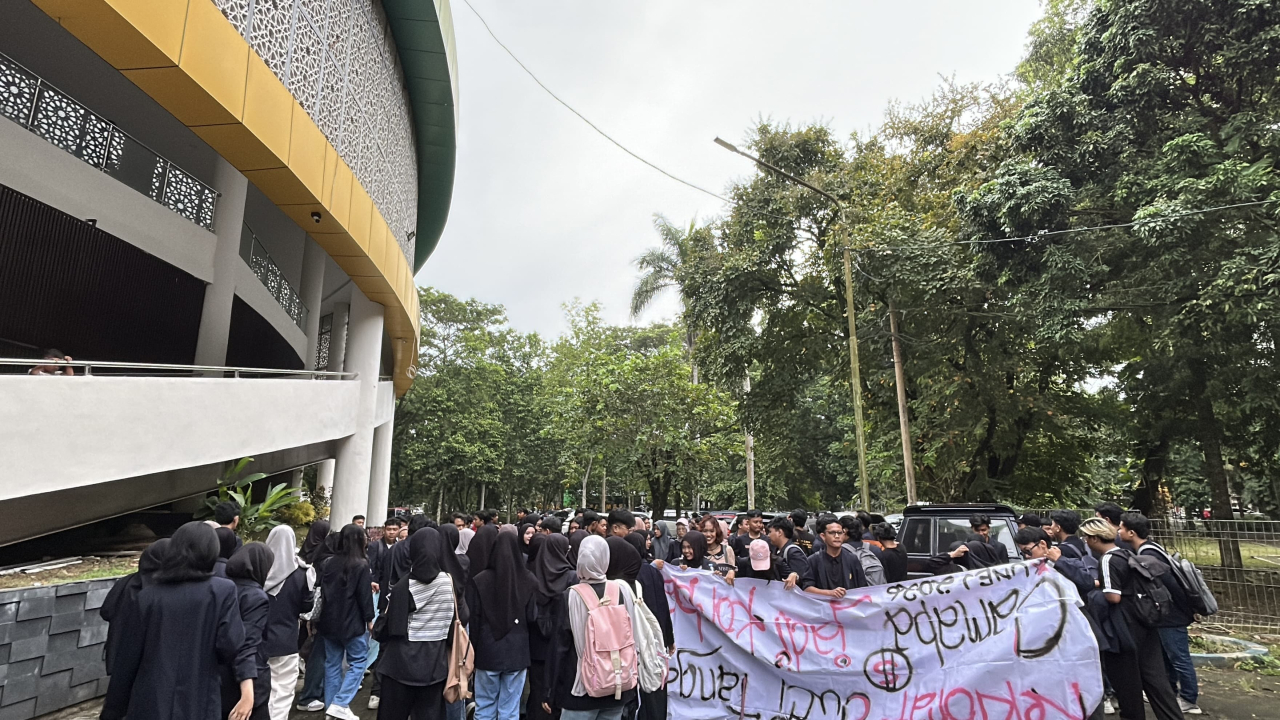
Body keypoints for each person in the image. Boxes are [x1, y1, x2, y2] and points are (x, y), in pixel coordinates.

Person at [101, 522, 249, 720]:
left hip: (151, 701)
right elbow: (230, 644)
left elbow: (127, 659)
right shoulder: (223, 591)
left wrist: (112, 711)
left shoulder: (148, 596)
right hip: (199, 699)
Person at [1089, 518, 1184, 720]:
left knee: (1127, 683)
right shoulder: (1126, 554)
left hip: (1123, 627)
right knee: (1156, 679)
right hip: (1144, 621)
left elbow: (1113, 597)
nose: (1086, 542)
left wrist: (1097, 590)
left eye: (1087, 538)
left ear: (1094, 538)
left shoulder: (1107, 559)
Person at [543, 535, 641, 720]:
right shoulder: (622, 590)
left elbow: (559, 648)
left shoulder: (571, 596)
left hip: (580, 689)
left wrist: (550, 691)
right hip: (616, 685)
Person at [1120, 513, 1201, 715]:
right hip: (1169, 614)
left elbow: (1170, 585)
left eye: (1121, 528)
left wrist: (1187, 610)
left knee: (1179, 657)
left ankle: (1190, 699)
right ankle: (1171, 691)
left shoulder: (1148, 554)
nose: (1118, 531)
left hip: (1172, 615)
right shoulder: (1150, 548)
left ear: (1131, 532)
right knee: (1167, 657)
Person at [376, 527, 455, 720]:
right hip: (435, 664)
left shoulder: (404, 586)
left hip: (401, 665)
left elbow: (391, 629)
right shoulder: (448, 582)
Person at [470, 531, 537, 720]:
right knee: (510, 708)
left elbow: (474, 619)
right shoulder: (529, 579)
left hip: (487, 650)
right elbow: (532, 617)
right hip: (517, 651)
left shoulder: (480, 580)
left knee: (484, 706)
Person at [316, 524, 376, 719]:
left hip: (328, 621)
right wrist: (370, 619)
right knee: (358, 661)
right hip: (351, 623)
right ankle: (340, 703)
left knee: (332, 664)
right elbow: (364, 596)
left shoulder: (329, 562)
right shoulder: (361, 564)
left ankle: (330, 707)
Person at [261, 525, 314, 720]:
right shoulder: (302, 573)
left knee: (261, 688)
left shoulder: (258, 568)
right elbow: (306, 606)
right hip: (287, 638)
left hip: (259, 637)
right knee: (283, 689)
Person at [222, 543, 275, 720]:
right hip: (249, 677)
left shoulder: (223, 588)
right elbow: (247, 644)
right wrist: (248, 694)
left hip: (222, 676)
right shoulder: (255, 597)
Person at [101, 539, 169, 673]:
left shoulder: (125, 581)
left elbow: (106, 611)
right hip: (148, 661)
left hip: (118, 652)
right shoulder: (163, 587)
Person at [530, 533, 577, 720]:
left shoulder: (533, 574)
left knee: (537, 693)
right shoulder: (571, 577)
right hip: (561, 645)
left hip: (536, 646)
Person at [295, 521, 332, 713]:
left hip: (301, 610)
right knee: (318, 652)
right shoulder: (324, 554)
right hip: (314, 610)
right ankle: (311, 693)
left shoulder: (302, 553)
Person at [802, 517, 867, 597]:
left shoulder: (852, 559)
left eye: (840, 533)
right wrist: (830, 593)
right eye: (832, 533)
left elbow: (863, 588)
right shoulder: (814, 560)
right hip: (823, 607)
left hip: (848, 607)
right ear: (823, 536)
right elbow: (806, 588)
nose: (837, 536)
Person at [764, 517, 806, 588]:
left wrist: (796, 576)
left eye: (770, 532)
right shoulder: (776, 550)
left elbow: (804, 578)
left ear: (779, 532)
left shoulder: (794, 552)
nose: (768, 535)